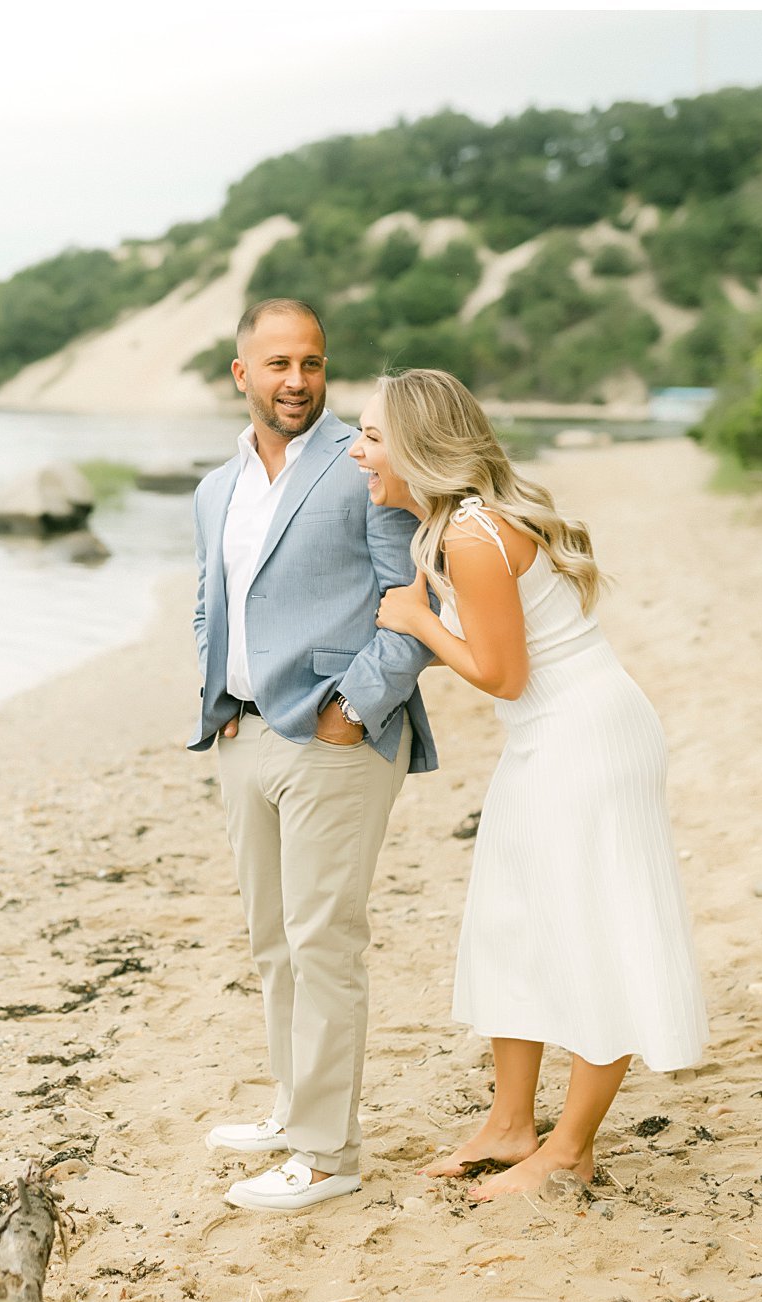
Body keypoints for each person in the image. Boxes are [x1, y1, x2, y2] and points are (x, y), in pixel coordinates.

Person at [356, 367, 707, 1203]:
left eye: (370, 437)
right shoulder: (454, 523)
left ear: (415, 447)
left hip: (582, 738)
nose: (359, 454)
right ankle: (512, 1123)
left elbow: (502, 675)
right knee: (513, 921)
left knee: (591, 931)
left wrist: (417, 622)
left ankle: (569, 1147)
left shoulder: (471, 537)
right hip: (552, 737)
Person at [189, 300, 437, 1212]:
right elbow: (210, 601)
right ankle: (297, 1108)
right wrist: (215, 702)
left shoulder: (363, 463)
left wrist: (355, 705)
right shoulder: (216, 488)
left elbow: (414, 598)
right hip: (244, 734)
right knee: (272, 942)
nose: (298, 381)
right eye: (280, 363)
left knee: (323, 940)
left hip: (337, 738)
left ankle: (329, 1155)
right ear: (241, 373)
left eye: (314, 363)